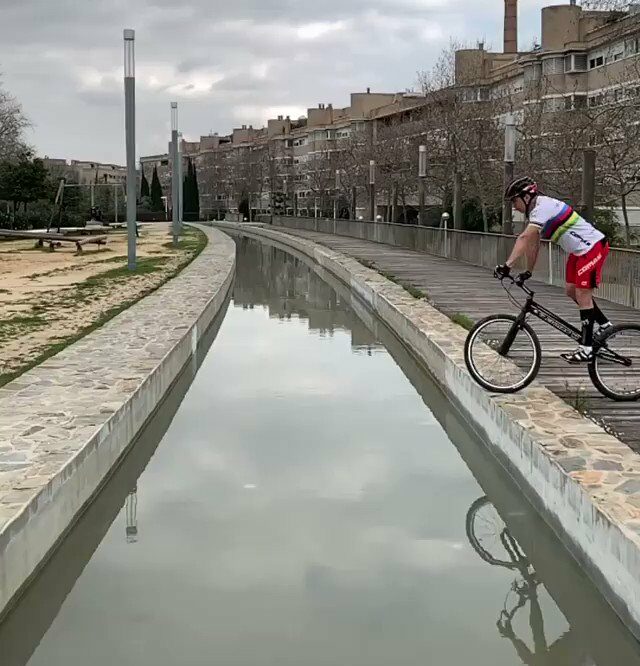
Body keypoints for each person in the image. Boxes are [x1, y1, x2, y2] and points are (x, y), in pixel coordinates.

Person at [495, 177, 611, 363]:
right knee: (571, 290)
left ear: (527, 196)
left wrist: (507, 265)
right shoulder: (535, 214)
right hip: (579, 252)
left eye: (514, 201)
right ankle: (604, 324)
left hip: (593, 247)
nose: (514, 207)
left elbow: (524, 238)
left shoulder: (543, 207)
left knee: (582, 294)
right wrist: (528, 271)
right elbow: (533, 244)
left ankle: (587, 347)